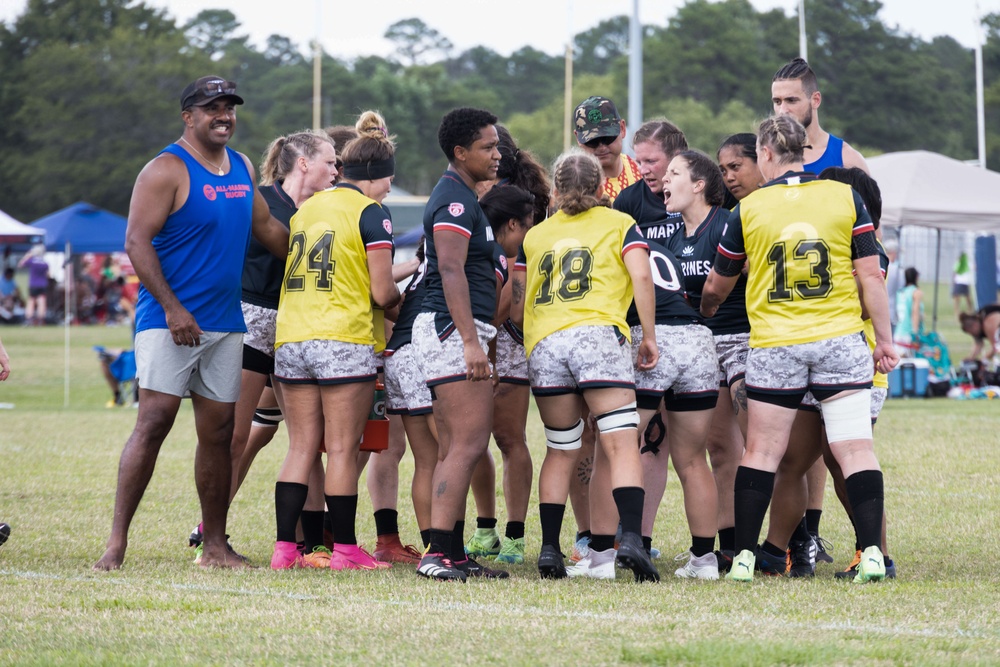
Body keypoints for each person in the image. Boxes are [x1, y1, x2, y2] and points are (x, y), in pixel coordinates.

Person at [93, 76, 290, 571]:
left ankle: (216, 547)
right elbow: (137, 242)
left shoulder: (243, 166)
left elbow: (269, 230)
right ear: (189, 116)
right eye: (212, 108)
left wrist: (319, 262)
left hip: (226, 323)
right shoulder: (165, 169)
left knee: (220, 434)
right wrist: (174, 308)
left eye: (229, 107)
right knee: (154, 422)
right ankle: (115, 546)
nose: (223, 115)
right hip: (168, 321)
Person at [700, 114, 898, 583]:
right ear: (805, 150)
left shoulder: (747, 210)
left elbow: (718, 283)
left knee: (763, 453)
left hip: (777, 342)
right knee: (854, 450)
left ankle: (746, 557)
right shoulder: (844, 196)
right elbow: (870, 275)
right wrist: (885, 340)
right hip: (838, 338)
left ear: (766, 154)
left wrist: (707, 306)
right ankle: (872, 553)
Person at [185, 129, 339, 566]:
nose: (335, 170)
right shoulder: (261, 200)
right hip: (253, 321)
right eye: (329, 161)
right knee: (233, 435)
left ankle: (312, 538)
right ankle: (210, 531)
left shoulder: (324, 209)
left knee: (306, 439)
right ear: (304, 163)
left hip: (295, 326)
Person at [512, 150, 660, 583]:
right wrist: (647, 334)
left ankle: (550, 549)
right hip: (597, 335)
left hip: (547, 343)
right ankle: (630, 538)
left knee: (561, 449)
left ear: (555, 192)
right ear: (601, 189)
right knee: (620, 444)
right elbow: (642, 277)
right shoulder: (619, 224)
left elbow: (519, 306)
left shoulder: (536, 236)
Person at [269, 110, 401, 572]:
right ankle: (345, 549)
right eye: (388, 180)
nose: (388, 189)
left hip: (292, 335)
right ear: (377, 176)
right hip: (341, 337)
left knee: (302, 447)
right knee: (343, 448)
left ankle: (286, 550)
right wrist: (403, 301)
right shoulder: (371, 213)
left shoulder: (308, 208)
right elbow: (381, 292)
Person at [411, 107, 509, 582]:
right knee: (468, 443)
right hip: (451, 328)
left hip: (451, 328)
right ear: (460, 152)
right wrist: (471, 341)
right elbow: (449, 269)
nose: (498, 153)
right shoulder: (453, 199)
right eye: (488, 147)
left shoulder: (464, 196)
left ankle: (450, 551)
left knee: (455, 443)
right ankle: (437, 555)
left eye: (497, 144)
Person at [665, 149, 751, 571]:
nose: (664, 181)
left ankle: (781, 542)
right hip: (698, 345)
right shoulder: (669, 234)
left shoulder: (728, 222)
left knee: (760, 444)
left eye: (674, 173)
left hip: (740, 340)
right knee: (718, 448)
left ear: (699, 184)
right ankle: (728, 546)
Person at [463, 184, 537, 565]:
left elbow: (503, 314)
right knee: (472, 442)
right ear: (512, 223)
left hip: (507, 350)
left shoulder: (515, 255)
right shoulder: (488, 249)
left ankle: (514, 535)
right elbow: (492, 311)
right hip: (480, 347)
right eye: (529, 225)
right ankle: (485, 529)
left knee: (510, 440)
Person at [771, 57, 869, 175]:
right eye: (777, 102)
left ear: (815, 100)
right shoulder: (765, 157)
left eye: (791, 100)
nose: (782, 111)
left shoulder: (847, 159)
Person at [574, 96, 642, 203]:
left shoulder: (643, 173)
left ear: (622, 129)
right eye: (593, 142)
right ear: (578, 138)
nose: (602, 147)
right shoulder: (573, 187)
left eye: (608, 138)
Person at [893, 267, 924, 355]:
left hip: (898, 332)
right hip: (909, 333)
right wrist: (915, 332)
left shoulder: (900, 292)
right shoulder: (916, 292)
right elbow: (915, 312)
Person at [17, 245, 48, 326]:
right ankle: (41, 319)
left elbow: (21, 264)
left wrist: (28, 255)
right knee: (41, 301)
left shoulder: (32, 261)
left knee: (31, 301)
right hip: (42, 284)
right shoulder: (45, 263)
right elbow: (48, 273)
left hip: (33, 284)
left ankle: (29, 318)